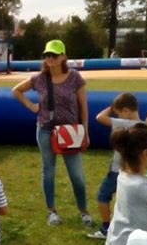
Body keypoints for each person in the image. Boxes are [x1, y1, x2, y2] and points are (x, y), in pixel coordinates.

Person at [12, 39, 93, 227]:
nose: (50, 58)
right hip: (45, 129)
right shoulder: (39, 78)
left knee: (77, 175)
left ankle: (84, 212)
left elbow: (83, 106)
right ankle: (52, 212)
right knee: (48, 171)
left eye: (54, 55)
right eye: (47, 55)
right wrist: (31, 106)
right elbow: (16, 90)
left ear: (63, 56)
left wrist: (85, 131)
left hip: (70, 131)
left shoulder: (75, 78)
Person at [88, 93, 141, 239]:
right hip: (134, 171)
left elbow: (99, 117)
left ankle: (106, 228)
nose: (118, 116)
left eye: (119, 113)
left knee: (103, 197)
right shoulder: (144, 126)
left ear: (126, 111)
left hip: (117, 170)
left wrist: (111, 108)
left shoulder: (123, 124)